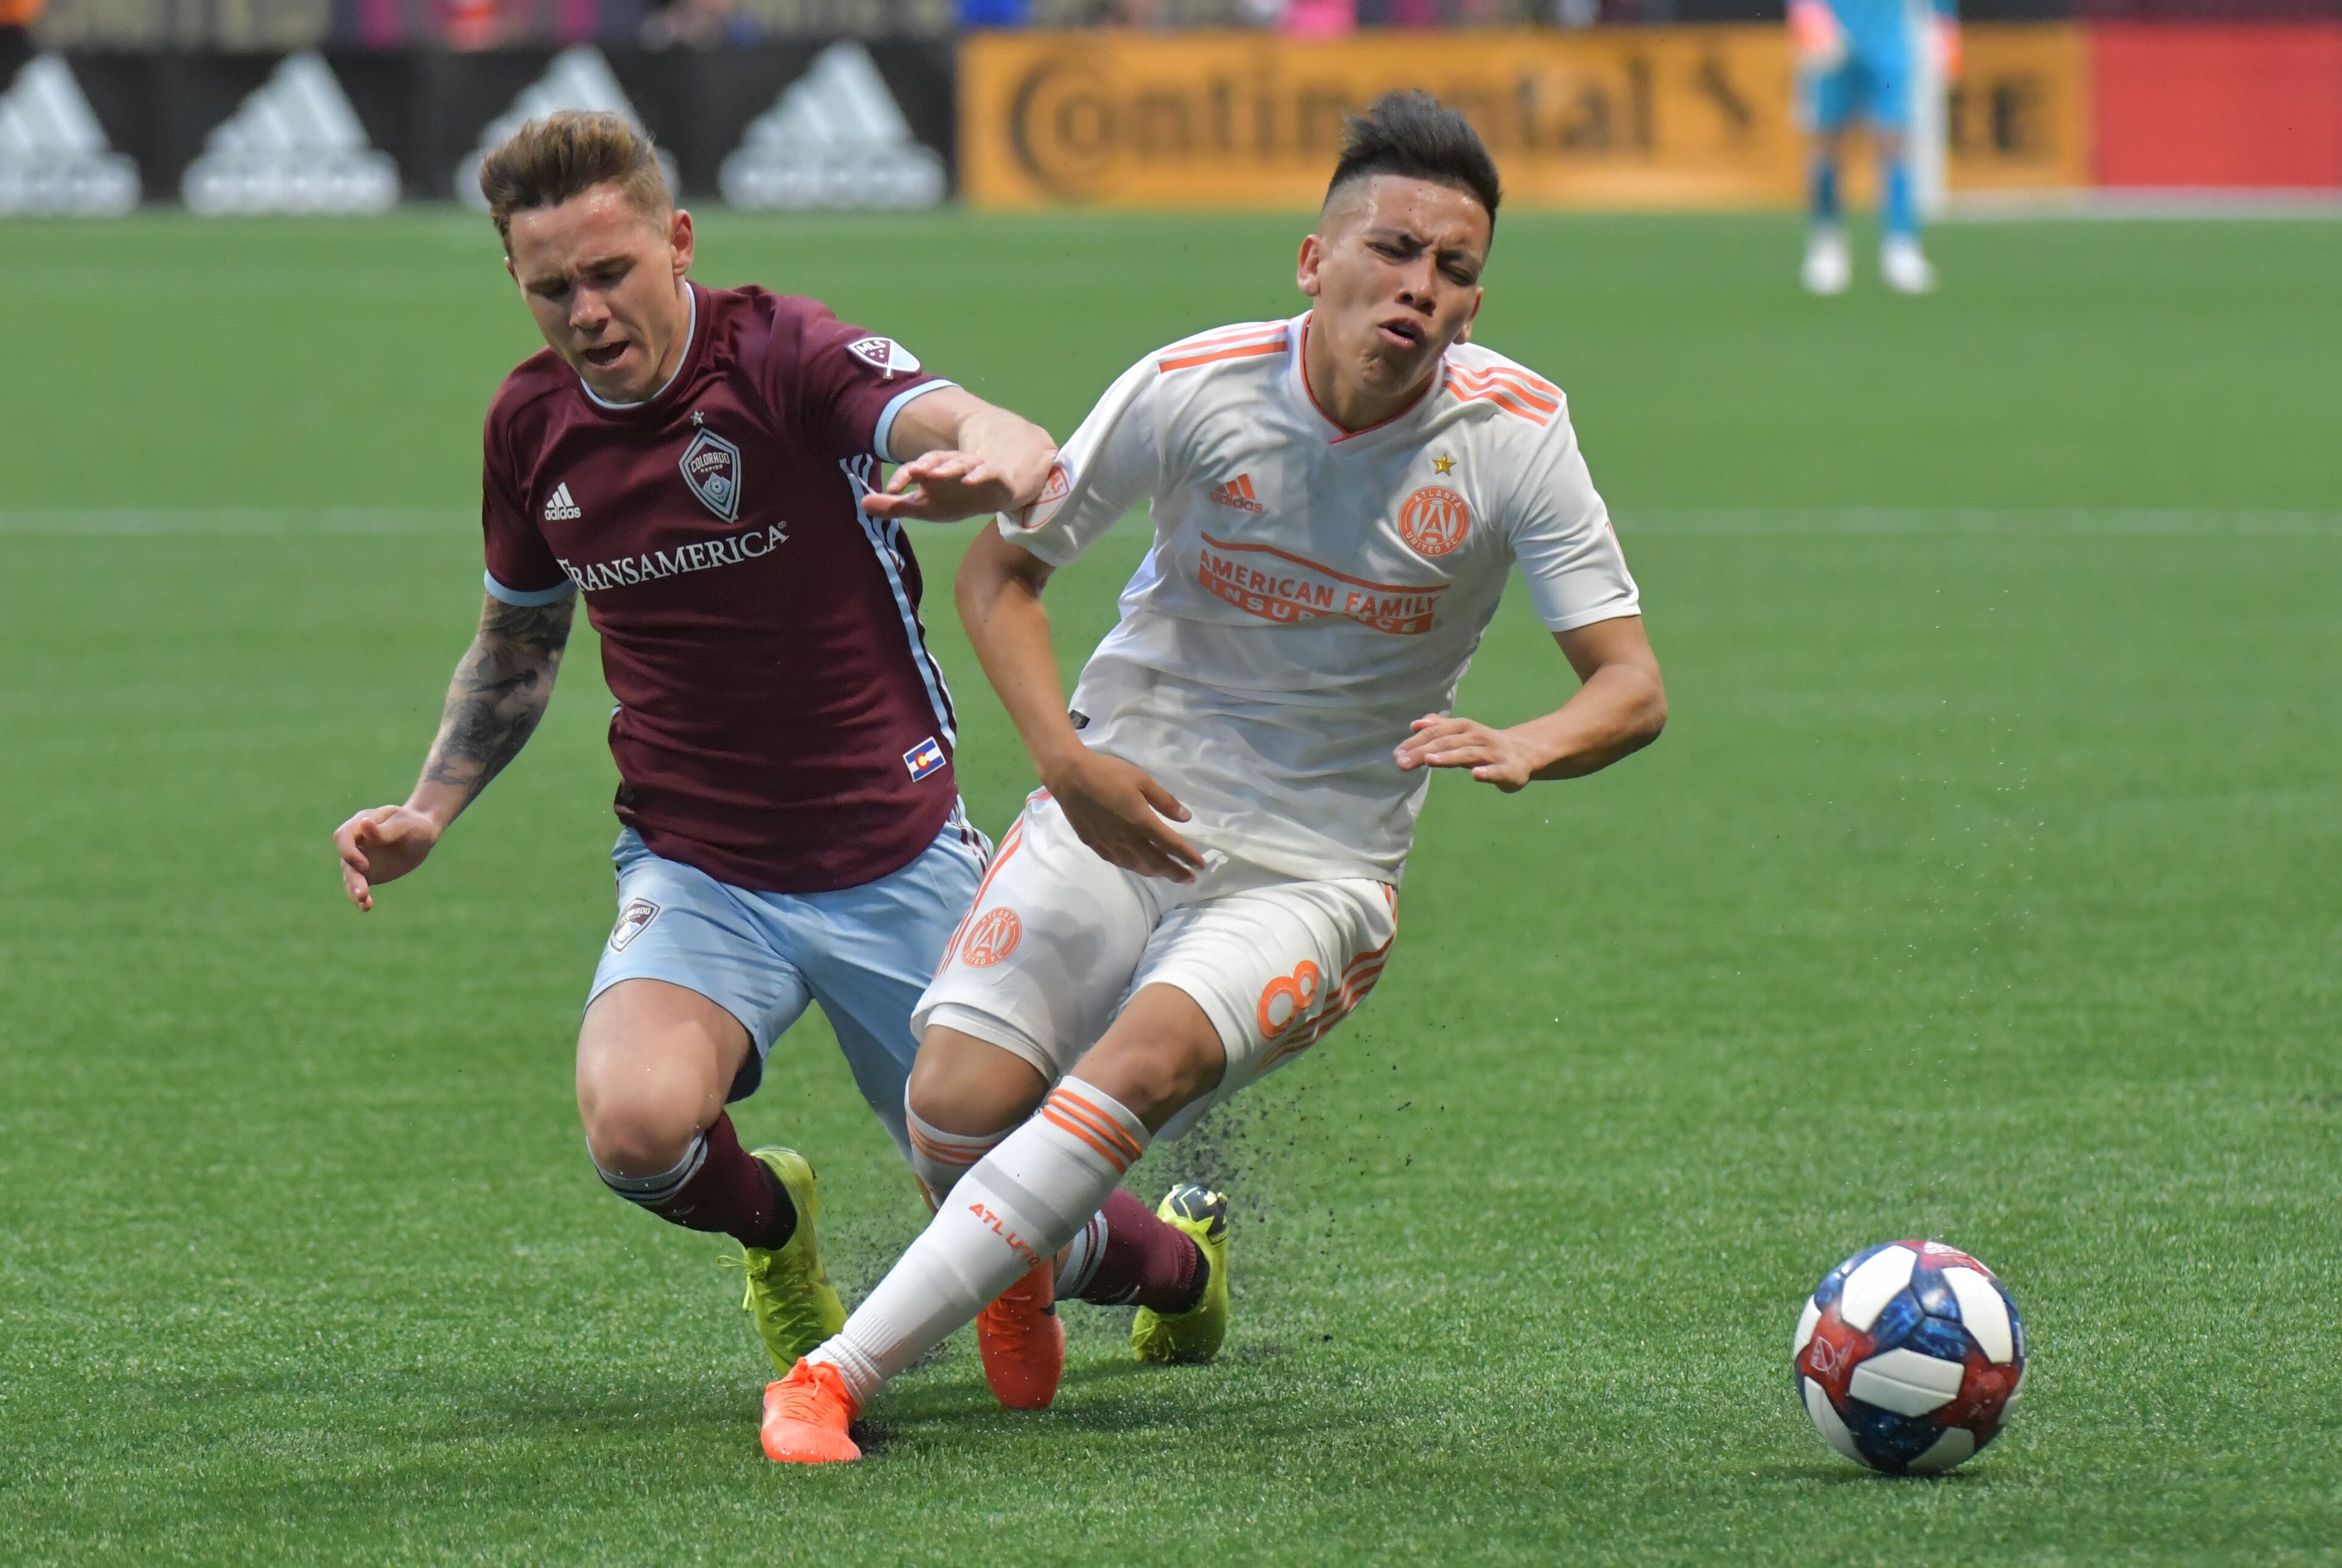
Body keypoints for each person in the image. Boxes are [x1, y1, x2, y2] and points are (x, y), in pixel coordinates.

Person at [757, 90, 1669, 1463]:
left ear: (1476, 297)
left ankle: (832, 1376)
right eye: (1393, 249)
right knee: (951, 1107)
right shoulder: (1196, 384)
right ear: (1315, 259)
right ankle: (1085, 1269)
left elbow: (1632, 684)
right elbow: (1003, 572)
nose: (1420, 287)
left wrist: (1526, 743)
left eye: (1456, 268)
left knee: (1140, 1061)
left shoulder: (1517, 436)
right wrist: (1066, 769)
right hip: (1124, 797)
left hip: (1315, 874)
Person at [330, 111, 1203, 1402]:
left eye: (612, 271)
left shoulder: (781, 353)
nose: (587, 310)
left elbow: (949, 413)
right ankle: (775, 1230)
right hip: (699, 865)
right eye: (551, 286)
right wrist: (430, 807)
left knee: (1019, 1215)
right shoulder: (528, 430)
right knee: (634, 1132)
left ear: (678, 243)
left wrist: (1004, 453)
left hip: (892, 856)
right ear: (513, 281)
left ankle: (1183, 1271)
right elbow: (516, 645)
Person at [1790, 0, 1960, 295]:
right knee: (1828, 145)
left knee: (1895, 141)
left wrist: (1945, 24)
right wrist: (1807, 13)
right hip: (1833, 33)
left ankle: (1901, 245)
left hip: (1888, 41)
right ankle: (1827, 241)